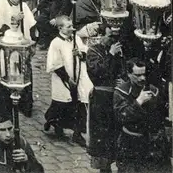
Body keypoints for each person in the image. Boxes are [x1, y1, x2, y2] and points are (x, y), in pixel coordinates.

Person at [44, 15, 93, 147]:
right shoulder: (56, 43)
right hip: (63, 77)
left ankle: (77, 133)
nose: (72, 28)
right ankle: (54, 122)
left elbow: (84, 52)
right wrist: (67, 79)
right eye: (68, 26)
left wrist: (80, 54)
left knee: (78, 104)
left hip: (77, 76)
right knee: (62, 104)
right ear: (60, 28)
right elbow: (55, 64)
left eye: (72, 25)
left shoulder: (76, 39)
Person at [113, 58, 169, 173]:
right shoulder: (121, 91)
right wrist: (138, 102)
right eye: (137, 75)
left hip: (152, 144)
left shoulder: (154, 90)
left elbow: (159, 117)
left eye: (144, 74)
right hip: (131, 143)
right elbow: (121, 117)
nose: (142, 78)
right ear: (128, 74)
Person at [87, 23, 126, 173]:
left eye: (115, 37)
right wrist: (110, 54)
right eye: (110, 36)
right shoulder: (93, 51)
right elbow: (97, 73)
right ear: (102, 35)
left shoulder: (119, 50)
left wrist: (124, 80)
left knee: (117, 135)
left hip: (116, 98)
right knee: (102, 137)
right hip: (101, 100)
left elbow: (123, 70)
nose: (113, 40)